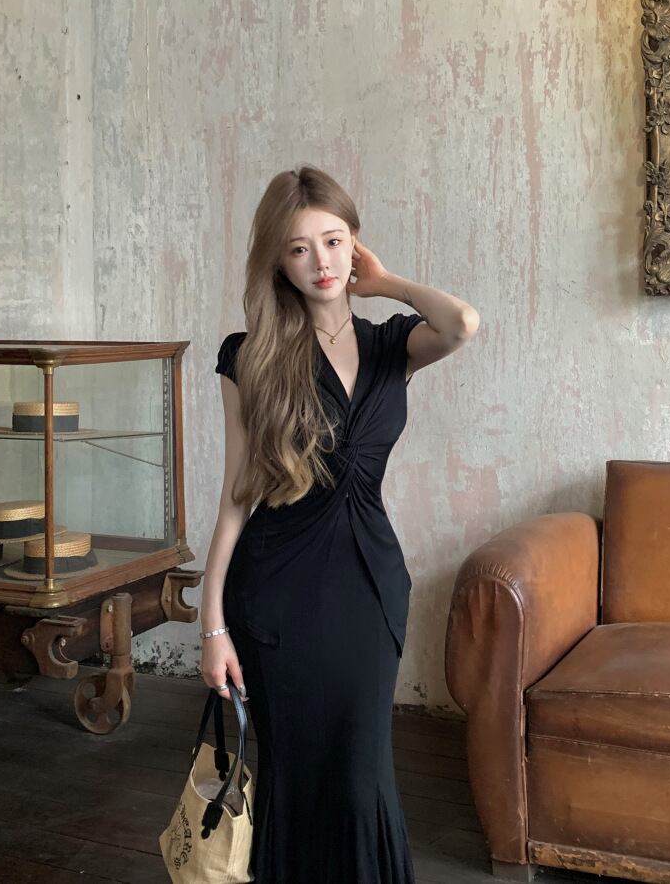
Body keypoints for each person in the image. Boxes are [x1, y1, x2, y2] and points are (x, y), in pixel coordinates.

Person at [200, 164, 479, 883]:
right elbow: (236, 494)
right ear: (277, 261)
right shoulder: (250, 356)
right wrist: (212, 622)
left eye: (332, 240)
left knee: (362, 781)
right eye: (298, 248)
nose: (320, 261)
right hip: (275, 596)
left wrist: (385, 284)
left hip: (369, 589)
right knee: (293, 779)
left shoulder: (393, 346)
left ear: (355, 242)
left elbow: (462, 323)